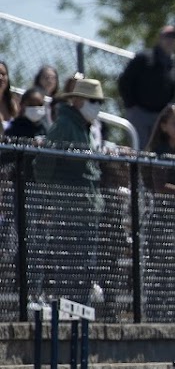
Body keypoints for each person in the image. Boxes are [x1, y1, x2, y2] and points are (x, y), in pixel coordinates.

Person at [35, 78, 105, 302]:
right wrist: (52, 196)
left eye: (100, 102)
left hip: (86, 212)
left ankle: (79, 316)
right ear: (78, 100)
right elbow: (43, 164)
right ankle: (68, 316)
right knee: (71, 270)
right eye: (93, 101)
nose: (97, 106)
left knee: (84, 271)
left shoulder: (84, 128)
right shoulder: (65, 125)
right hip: (70, 212)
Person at [117, 26, 175, 147]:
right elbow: (125, 81)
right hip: (140, 113)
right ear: (160, 39)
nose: (170, 41)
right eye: (167, 37)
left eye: (174, 38)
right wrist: (131, 105)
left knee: (159, 151)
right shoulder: (144, 57)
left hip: (160, 117)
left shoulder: (172, 64)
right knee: (139, 149)